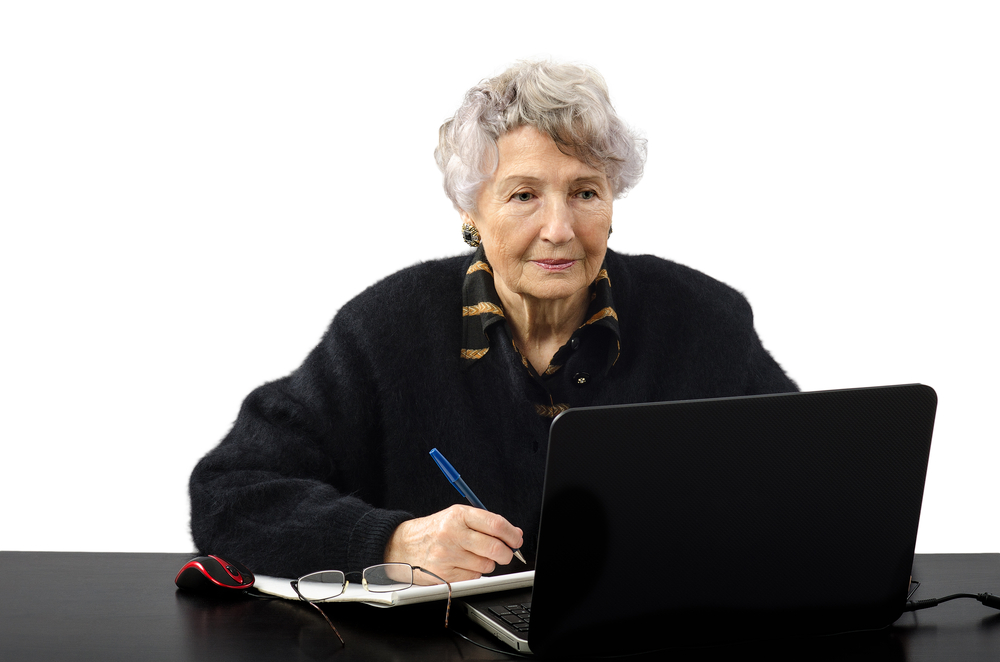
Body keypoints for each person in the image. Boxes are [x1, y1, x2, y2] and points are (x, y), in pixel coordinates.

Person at [189, 61, 798, 582]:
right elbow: (231, 492)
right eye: (524, 194)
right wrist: (390, 543)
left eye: (585, 192)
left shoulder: (706, 320)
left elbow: (810, 483)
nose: (559, 229)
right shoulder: (385, 332)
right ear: (470, 209)